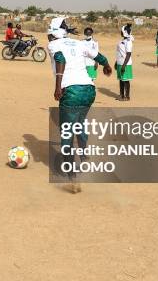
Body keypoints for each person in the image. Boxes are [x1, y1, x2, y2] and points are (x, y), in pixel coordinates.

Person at [47, 17, 112, 193]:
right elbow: (99, 57)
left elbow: (60, 60)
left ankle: (72, 177)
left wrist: (57, 86)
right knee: (80, 123)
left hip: (71, 91)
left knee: (67, 132)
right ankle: (84, 157)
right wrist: (106, 66)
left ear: (52, 32)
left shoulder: (54, 45)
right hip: (89, 89)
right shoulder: (78, 43)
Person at [116, 23, 134, 101]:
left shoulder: (128, 41)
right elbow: (119, 53)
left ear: (124, 32)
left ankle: (127, 96)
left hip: (125, 64)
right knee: (121, 80)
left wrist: (124, 65)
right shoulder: (122, 41)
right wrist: (116, 62)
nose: (120, 32)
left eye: (121, 31)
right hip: (120, 63)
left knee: (126, 81)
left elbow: (129, 53)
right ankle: (121, 95)